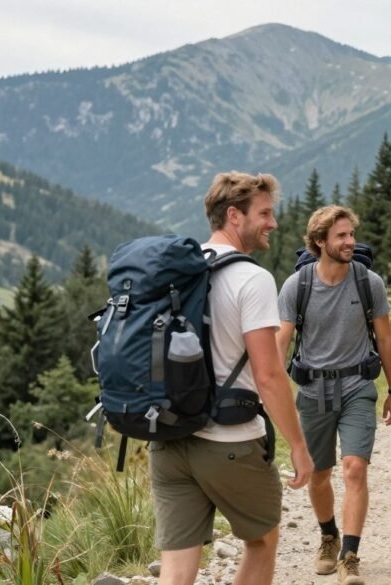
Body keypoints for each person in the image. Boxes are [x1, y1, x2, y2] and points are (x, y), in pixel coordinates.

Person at [151, 172, 313, 585]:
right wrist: (297, 445)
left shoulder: (178, 272)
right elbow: (269, 374)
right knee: (262, 542)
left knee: (176, 570)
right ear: (234, 216)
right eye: (265, 214)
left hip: (169, 440)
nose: (273, 223)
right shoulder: (252, 278)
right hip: (229, 442)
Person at [276, 206, 391, 585]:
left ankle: (349, 554)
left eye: (351, 235)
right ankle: (328, 535)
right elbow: (281, 341)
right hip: (313, 390)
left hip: (357, 388)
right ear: (319, 242)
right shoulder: (297, 286)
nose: (350, 242)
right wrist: (264, 390)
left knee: (355, 468)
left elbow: (385, 338)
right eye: (342, 236)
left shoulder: (368, 282)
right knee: (318, 474)